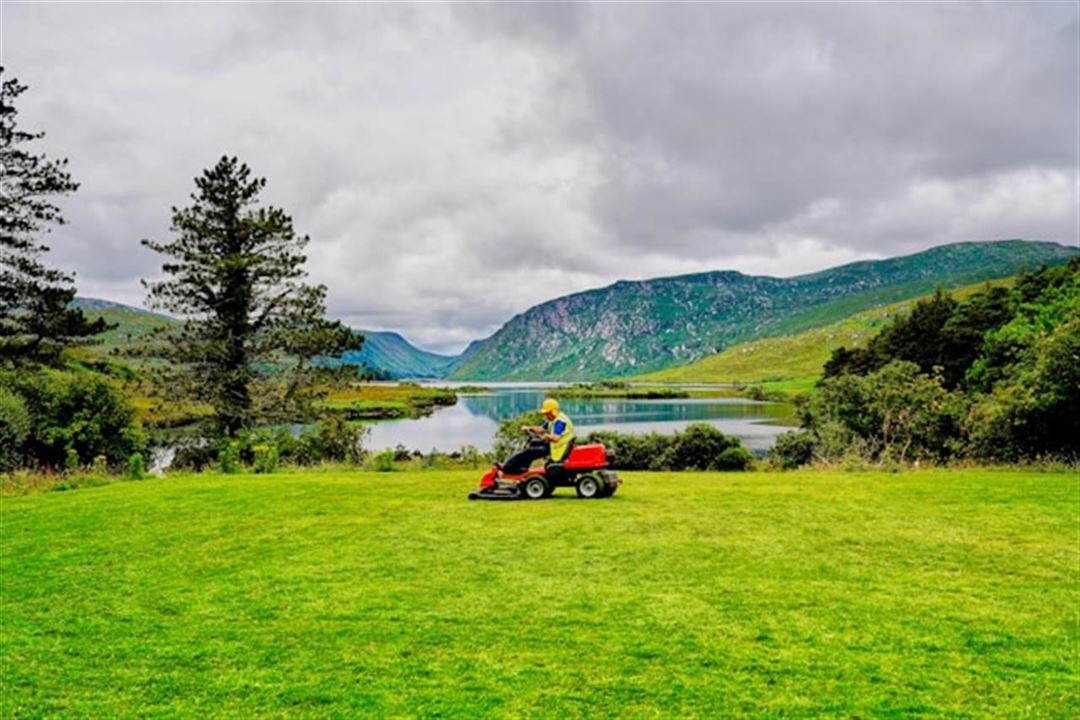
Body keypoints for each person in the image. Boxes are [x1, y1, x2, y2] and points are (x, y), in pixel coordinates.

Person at [499, 397, 575, 476]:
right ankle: (522, 469)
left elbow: (556, 438)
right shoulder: (553, 419)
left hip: (558, 448)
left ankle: (507, 467)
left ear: (553, 411)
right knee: (533, 443)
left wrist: (546, 436)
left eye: (547, 413)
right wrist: (529, 428)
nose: (546, 415)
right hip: (555, 446)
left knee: (530, 451)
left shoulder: (559, 422)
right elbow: (541, 429)